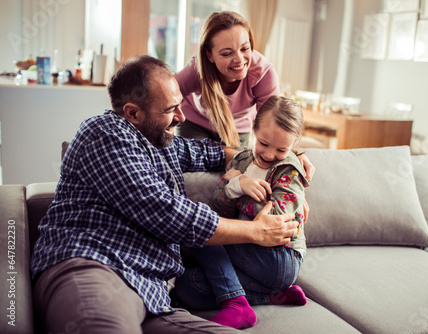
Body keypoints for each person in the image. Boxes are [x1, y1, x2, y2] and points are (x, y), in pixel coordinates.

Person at [30, 55, 299, 334]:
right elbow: (167, 213)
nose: (181, 116)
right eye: (171, 109)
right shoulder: (104, 133)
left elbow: (216, 154)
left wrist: (285, 163)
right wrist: (255, 231)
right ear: (133, 113)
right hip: (97, 269)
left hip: (154, 297)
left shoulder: (162, 142)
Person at [174, 96, 309, 329]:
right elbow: (220, 206)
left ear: (293, 145)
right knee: (188, 286)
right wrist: (238, 184)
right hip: (248, 252)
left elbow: (274, 220)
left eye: (281, 149)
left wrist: (237, 188)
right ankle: (269, 297)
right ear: (254, 127)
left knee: (200, 224)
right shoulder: (242, 160)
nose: (268, 155)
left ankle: (235, 303)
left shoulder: (289, 171)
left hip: (279, 258)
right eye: (264, 143)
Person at [175, 11, 315, 182]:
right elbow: (165, 96)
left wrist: (294, 156)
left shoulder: (264, 73)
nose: (239, 60)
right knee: (190, 168)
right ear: (209, 55)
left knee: (244, 168)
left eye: (245, 49)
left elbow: (275, 123)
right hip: (195, 124)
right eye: (227, 53)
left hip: (237, 130)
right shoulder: (196, 69)